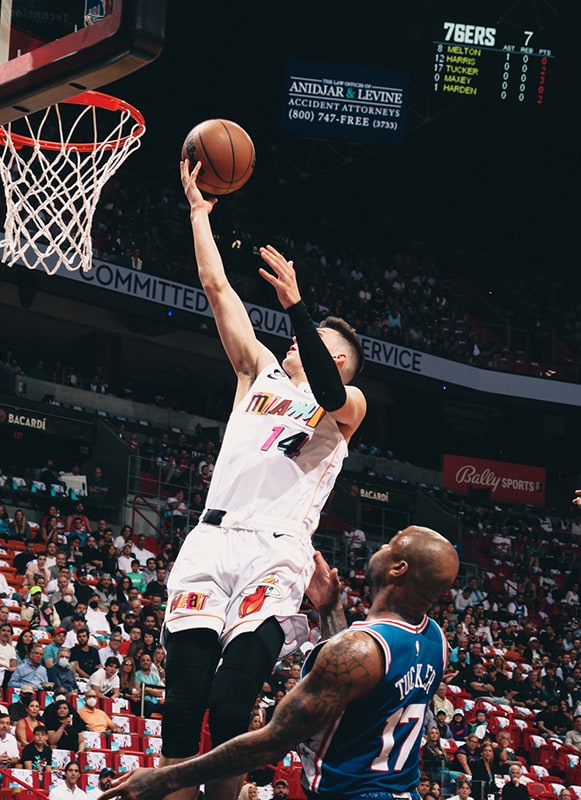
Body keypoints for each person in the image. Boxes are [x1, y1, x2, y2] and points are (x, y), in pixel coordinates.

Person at [157, 160, 367, 799]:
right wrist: (199, 214)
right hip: (212, 539)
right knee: (184, 698)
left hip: (276, 550)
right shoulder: (259, 373)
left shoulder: (347, 404)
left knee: (229, 701)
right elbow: (218, 289)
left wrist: (300, 304)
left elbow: (331, 388)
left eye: (311, 338)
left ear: (332, 357)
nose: (294, 339)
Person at [99, 526, 458, 800]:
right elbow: (364, 679)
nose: (380, 546)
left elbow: (271, 743)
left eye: (390, 544)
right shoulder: (434, 641)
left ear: (398, 569)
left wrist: (163, 779)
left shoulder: (359, 650)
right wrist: (329, 608)